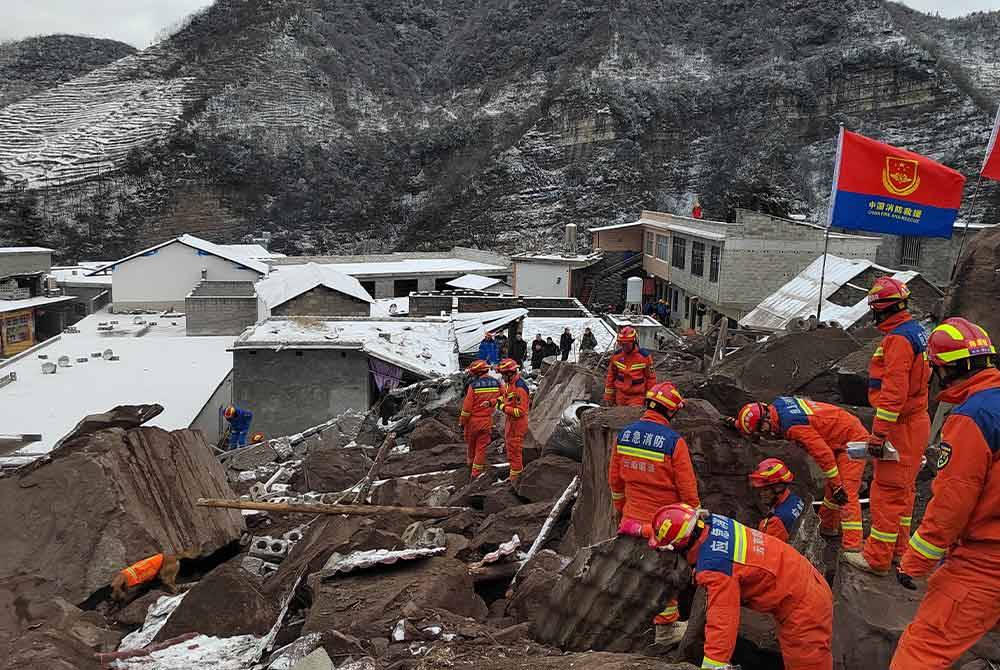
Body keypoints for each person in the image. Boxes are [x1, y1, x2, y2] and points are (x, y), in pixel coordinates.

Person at [890, 318, 1000, 670]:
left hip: (986, 560)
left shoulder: (973, 417)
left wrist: (915, 562)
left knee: (922, 649)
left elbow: (952, 504)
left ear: (945, 369)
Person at [648, 503, 834, 670]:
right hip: (801, 582)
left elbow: (722, 621)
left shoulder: (715, 567)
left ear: (679, 547)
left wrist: (714, 665)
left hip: (804, 605)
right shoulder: (713, 523)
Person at [844, 277, 930, 575]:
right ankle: (898, 551)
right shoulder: (916, 332)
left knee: (886, 493)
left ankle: (877, 558)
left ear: (882, 309)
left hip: (900, 426)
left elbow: (893, 393)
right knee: (904, 494)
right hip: (915, 422)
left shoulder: (898, 340)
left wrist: (878, 434)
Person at [610, 382, 700, 647]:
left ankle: (630, 622)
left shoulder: (625, 435)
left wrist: (623, 512)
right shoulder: (674, 442)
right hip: (664, 526)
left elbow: (614, 481)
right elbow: (687, 489)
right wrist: (695, 518)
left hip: (630, 520)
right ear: (670, 412)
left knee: (636, 571)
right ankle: (665, 631)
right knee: (665, 577)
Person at [731, 397, 866, 552]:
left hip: (852, 440)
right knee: (833, 490)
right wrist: (738, 425)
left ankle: (853, 546)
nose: (763, 434)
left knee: (845, 493)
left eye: (761, 429)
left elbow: (823, 454)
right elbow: (760, 424)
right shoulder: (777, 407)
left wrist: (837, 485)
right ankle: (827, 527)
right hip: (839, 431)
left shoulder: (794, 426)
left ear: (766, 417)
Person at [459, 360, 501, 479]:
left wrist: (462, 422)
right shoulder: (496, 383)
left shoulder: (474, 386)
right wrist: (493, 402)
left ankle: (470, 467)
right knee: (481, 448)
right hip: (486, 421)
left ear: (477, 373)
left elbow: (466, 409)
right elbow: (504, 396)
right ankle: (476, 473)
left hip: (472, 422)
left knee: (471, 445)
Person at [749, 458, 805, 543]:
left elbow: (769, 552)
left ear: (779, 488)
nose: (761, 494)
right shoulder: (795, 499)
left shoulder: (774, 522)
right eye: (760, 490)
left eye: (765, 490)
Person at [604, 326, 656, 406]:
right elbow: (611, 376)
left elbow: (651, 379)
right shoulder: (616, 356)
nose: (624, 346)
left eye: (626, 344)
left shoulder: (644, 357)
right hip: (620, 395)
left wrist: (650, 398)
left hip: (637, 397)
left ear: (634, 342)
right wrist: (608, 396)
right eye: (622, 344)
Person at [497, 358, 530, 483]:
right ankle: (514, 478)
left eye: (503, 374)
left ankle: (515, 482)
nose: (502, 377)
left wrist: (503, 408)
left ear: (510, 373)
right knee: (511, 453)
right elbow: (506, 397)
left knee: (515, 454)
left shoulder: (520, 388)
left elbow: (520, 411)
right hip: (511, 423)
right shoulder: (510, 385)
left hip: (518, 425)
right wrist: (497, 402)